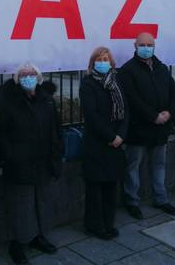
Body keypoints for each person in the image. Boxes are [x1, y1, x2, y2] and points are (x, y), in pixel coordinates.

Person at [0, 63, 63, 264]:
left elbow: (56, 130)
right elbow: (1, 133)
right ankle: (17, 244)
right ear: (17, 79)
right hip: (19, 163)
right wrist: (11, 155)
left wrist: (57, 155)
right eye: (23, 74)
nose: (28, 77)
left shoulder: (47, 101)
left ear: (38, 77)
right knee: (20, 205)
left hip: (43, 162)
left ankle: (37, 237)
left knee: (41, 202)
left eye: (31, 74)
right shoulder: (9, 102)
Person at [119, 32, 175, 218]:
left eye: (149, 45)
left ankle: (161, 199)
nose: (146, 48)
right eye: (142, 45)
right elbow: (131, 99)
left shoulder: (161, 67)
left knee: (159, 165)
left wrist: (169, 112)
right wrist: (153, 116)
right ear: (135, 45)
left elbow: (174, 92)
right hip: (139, 129)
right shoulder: (127, 70)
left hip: (161, 129)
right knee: (133, 166)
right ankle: (132, 201)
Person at [79, 47, 128, 240]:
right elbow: (91, 116)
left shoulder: (116, 82)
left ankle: (108, 222)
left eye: (106, 58)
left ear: (111, 62)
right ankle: (94, 225)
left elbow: (126, 110)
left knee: (110, 186)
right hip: (97, 143)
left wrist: (121, 135)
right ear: (92, 63)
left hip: (116, 143)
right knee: (95, 187)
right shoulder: (87, 84)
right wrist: (111, 137)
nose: (103, 61)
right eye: (99, 59)